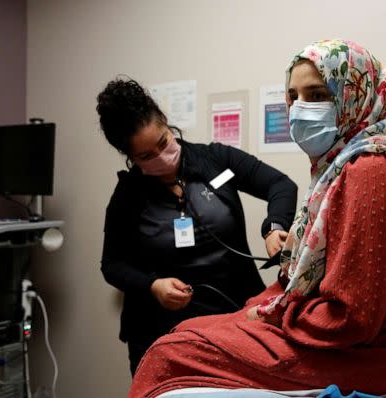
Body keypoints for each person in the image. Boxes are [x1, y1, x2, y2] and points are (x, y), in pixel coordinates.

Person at [127, 39, 386, 397]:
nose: (300, 109)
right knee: (186, 332)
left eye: (316, 95)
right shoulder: (356, 158)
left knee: (169, 352)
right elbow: (111, 262)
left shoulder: (368, 171)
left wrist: (276, 305)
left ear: (355, 95)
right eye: (293, 96)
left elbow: (355, 316)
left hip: (379, 349)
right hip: (381, 331)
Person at [96, 78, 298, 376]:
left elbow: (280, 184)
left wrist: (275, 227)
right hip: (163, 334)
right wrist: (152, 285)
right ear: (130, 157)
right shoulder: (128, 196)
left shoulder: (216, 159)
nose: (161, 156)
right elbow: (111, 265)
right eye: (146, 156)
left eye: (163, 141)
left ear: (166, 123)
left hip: (236, 319)